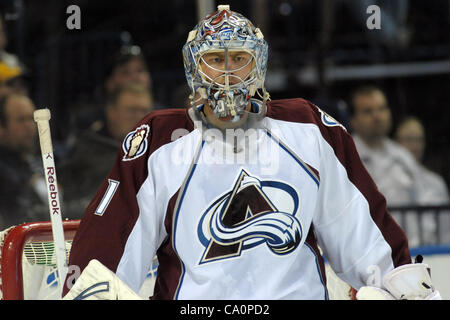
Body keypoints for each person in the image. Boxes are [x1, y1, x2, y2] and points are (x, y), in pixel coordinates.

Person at [63, 5, 440, 300]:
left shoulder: (309, 129)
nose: (228, 76)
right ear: (194, 68)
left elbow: (366, 242)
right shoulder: (159, 143)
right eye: (215, 60)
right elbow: (106, 258)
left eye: (238, 59)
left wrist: (400, 283)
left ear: (258, 64)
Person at [59, 83, 154, 219]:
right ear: (112, 112)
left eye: (145, 112)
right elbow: (67, 205)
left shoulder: (161, 153)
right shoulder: (87, 150)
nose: (140, 118)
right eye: (132, 111)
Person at [349, 85, 425, 207]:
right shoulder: (344, 157)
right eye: (368, 111)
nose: (377, 116)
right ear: (353, 120)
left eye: (382, 108)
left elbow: (421, 203)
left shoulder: (403, 157)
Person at [394, 116, 450, 245]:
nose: (414, 146)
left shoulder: (436, 182)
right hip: (399, 256)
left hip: (433, 255)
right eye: (408, 139)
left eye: (419, 140)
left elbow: (446, 231)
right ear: (396, 143)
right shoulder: (385, 180)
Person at [0, 93, 48, 229]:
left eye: (31, 119)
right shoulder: (4, 173)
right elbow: (22, 219)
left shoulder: (34, 161)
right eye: (21, 120)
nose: (29, 126)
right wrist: (80, 209)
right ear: (2, 127)